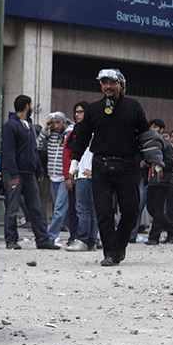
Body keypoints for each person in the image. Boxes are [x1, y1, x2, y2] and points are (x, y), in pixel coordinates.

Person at [69, 68, 156, 266]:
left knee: (131, 210)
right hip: (101, 165)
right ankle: (110, 253)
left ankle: (119, 243)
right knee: (104, 211)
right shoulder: (92, 109)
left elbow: (145, 135)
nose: (108, 87)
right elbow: (82, 137)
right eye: (104, 83)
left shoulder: (133, 107)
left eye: (112, 83)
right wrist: (74, 161)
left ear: (121, 85)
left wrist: (152, 159)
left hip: (128, 165)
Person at [2, 95, 57, 250]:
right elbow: (9, 151)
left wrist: (39, 168)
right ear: (27, 106)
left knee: (36, 208)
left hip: (30, 173)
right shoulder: (11, 126)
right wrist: (13, 174)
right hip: (16, 173)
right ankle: (11, 240)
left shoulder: (29, 125)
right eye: (31, 104)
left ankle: (42, 239)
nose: (32, 107)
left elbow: (34, 150)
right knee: (12, 208)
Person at [64, 101, 98, 251]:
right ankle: (90, 240)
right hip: (81, 173)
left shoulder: (92, 131)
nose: (77, 115)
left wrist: (94, 169)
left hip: (87, 173)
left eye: (81, 112)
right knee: (88, 208)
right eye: (76, 112)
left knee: (84, 208)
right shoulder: (75, 132)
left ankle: (84, 239)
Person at [144, 119, 173, 245]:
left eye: (156, 127)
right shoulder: (152, 144)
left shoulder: (166, 145)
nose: (153, 129)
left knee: (157, 209)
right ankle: (172, 228)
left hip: (163, 180)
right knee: (150, 208)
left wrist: (158, 164)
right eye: (151, 127)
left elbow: (169, 163)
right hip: (152, 180)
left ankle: (154, 237)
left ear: (162, 129)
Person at [37, 111, 69, 245]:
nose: (56, 126)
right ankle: (75, 233)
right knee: (61, 209)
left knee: (59, 209)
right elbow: (38, 145)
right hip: (53, 175)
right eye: (54, 123)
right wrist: (45, 129)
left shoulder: (69, 134)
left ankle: (50, 236)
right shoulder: (50, 135)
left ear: (63, 122)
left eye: (58, 122)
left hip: (64, 176)